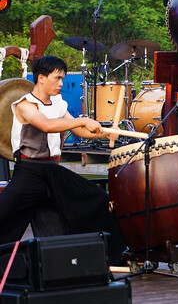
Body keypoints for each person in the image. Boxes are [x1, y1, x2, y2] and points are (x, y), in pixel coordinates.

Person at [0, 55, 126, 263]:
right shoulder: (25, 104)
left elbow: (80, 132)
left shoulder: (58, 103)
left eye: (62, 79)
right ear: (41, 78)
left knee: (97, 199)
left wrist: (104, 133)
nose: (61, 83)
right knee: (4, 218)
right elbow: (47, 125)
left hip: (53, 174)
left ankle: (105, 259)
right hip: (29, 174)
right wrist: (83, 120)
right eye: (57, 78)